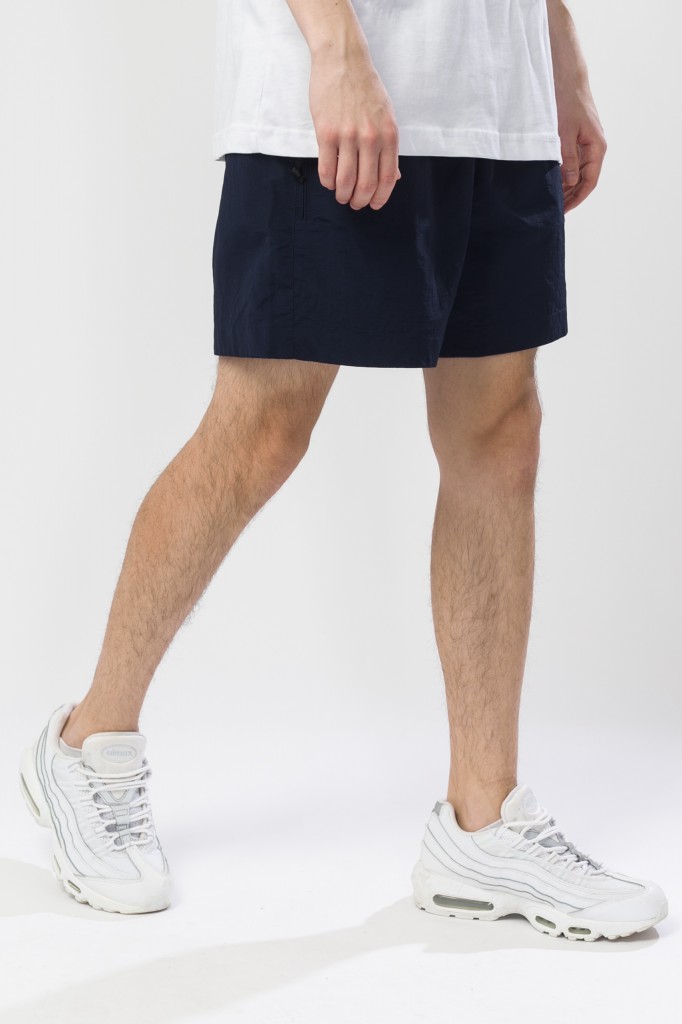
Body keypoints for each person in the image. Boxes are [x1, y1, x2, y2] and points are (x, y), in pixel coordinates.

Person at [20, 0, 667, 939]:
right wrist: (335, 48)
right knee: (263, 427)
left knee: (499, 434)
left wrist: (558, 49)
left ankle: (482, 825)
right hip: (335, 89)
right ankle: (89, 746)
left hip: (496, 94)